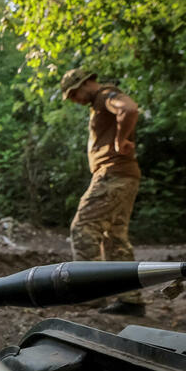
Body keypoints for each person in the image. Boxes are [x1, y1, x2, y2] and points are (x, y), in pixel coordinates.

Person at [60, 68, 144, 316]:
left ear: (85, 83)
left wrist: (120, 140)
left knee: (82, 227)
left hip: (112, 174)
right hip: (123, 175)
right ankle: (131, 300)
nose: (74, 100)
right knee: (114, 236)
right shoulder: (99, 103)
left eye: (74, 94)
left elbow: (128, 109)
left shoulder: (106, 95)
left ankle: (90, 295)